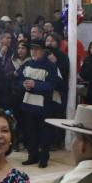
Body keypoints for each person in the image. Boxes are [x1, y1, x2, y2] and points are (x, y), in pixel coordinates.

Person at [19, 39, 61, 168]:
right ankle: (32, 155)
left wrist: (35, 84)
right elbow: (17, 78)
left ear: (43, 51)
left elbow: (52, 85)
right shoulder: (27, 64)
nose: (33, 52)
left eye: (36, 49)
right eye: (32, 49)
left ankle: (44, 157)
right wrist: (23, 84)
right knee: (30, 132)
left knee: (44, 133)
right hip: (28, 103)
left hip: (44, 105)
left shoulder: (51, 66)